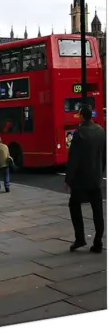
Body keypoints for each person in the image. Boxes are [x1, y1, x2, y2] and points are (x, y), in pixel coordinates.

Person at [65, 105, 106, 253]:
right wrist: (100, 171)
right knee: (98, 210)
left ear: (82, 117)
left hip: (80, 180)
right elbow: (104, 155)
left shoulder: (79, 134)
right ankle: (98, 241)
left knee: (74, 206)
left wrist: (68, 179)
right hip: (95, 178)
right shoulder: (101, 131)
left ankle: (80, 238)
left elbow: (74, 159)